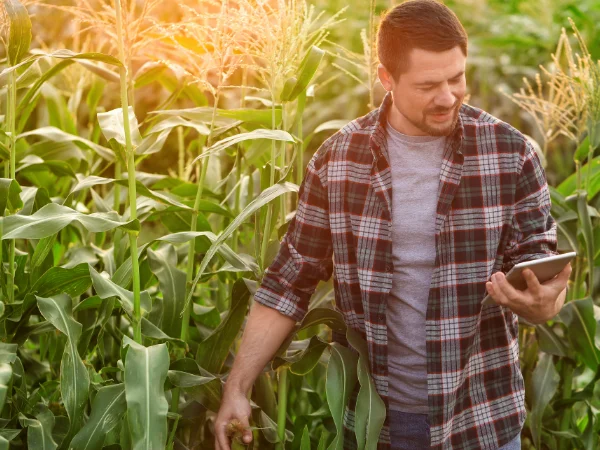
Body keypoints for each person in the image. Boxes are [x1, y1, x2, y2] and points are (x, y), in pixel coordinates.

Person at [215, 0, 571, 449]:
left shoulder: (511, 154)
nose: (448, 97)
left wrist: (543, 305)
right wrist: (238, 387)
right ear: (386, 78)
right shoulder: (338, 161)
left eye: (456, 78)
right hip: (376, 425)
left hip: (480, 420)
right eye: (427, 85)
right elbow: (289, 282)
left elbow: (540, 271)